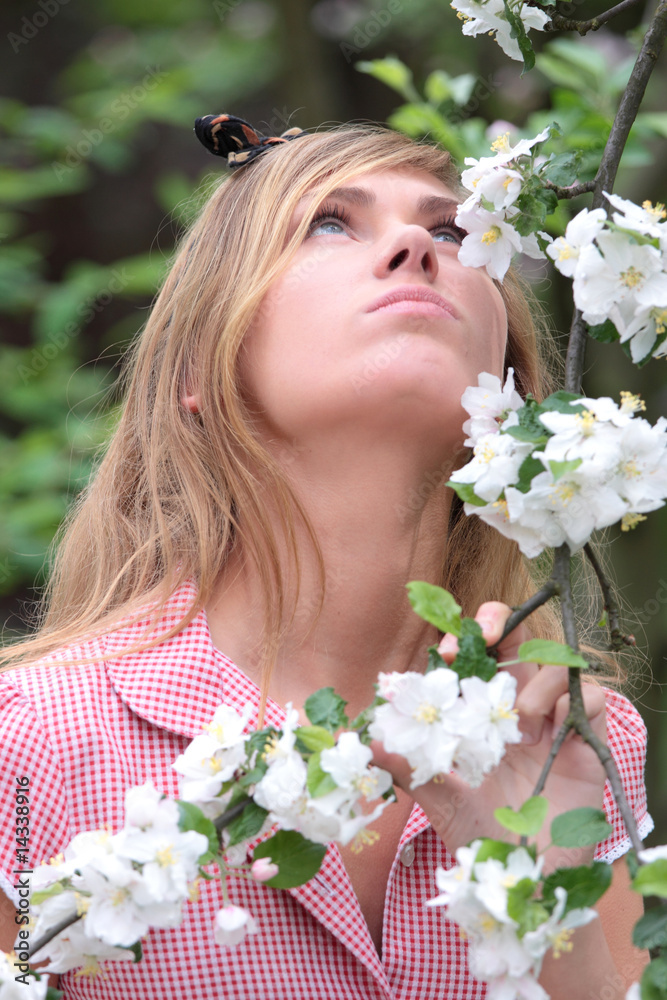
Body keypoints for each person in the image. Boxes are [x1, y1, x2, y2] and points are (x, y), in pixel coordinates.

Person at [0, 119, 652, 999]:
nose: (417, 244)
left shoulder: (570, 738)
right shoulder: (27, 744)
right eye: (330, 223)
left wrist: (544, 908)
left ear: (515, 386)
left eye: (455, 231)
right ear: (203, 360)